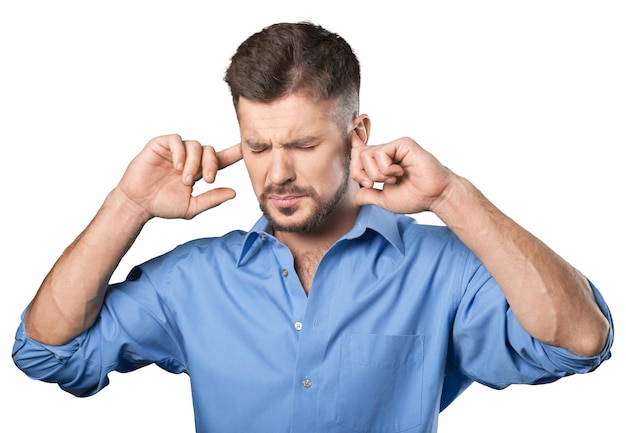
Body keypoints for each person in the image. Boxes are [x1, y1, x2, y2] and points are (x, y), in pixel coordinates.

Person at [12, 21, 613, 433]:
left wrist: (452, 196)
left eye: (301, 144)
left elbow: (579, 341)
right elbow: (46, 350)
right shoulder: (193, 281)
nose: (277, 174)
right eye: (257, 147)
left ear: (357, 135)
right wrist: (128, 203)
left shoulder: (441, 270)